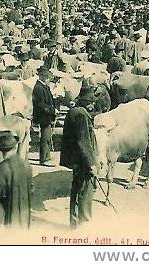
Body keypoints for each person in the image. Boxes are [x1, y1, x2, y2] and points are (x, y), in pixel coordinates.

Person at [60, 85, 99, 228]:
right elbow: (84, 142)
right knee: (84, 192)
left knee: (77, 190)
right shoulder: (81, 115)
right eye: (91, 101)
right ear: (84, 101)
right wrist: (91, 163)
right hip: (82, 160)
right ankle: (83, 223)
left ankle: (75, 223)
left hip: (76, 159)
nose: (93, 103)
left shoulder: (75, 111)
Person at [32, 65, 56, 166]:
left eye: (47, 76)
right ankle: (44, 159)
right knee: (45, 137)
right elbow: (40, 104)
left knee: (47, 136)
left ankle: (47, 155)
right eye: (45, 76)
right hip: (43, 116)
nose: (47, 78)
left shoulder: (44, 86)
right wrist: (52, 110)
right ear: (41, 76)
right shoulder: (38, 88)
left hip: (47, 115)